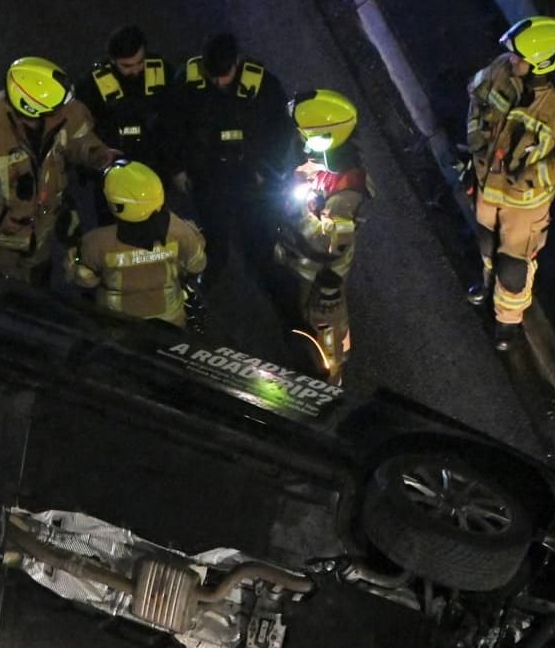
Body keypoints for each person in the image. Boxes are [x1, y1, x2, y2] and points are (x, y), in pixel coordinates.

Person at [463, 16, 555, 349]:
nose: (512, 60)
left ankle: (509, 322)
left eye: (520, 57)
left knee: (513, 266)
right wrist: (476, 138)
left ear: (541, 63)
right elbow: (476, 97)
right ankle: (486, 282)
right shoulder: (503, 69)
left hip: (525, 202)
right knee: (487, 243)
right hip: (488, 181)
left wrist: (529, 179)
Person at [0, 56, 118, 286]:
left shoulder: (65, 110)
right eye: (57, 108)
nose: (65, 110)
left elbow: (78, 137)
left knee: (37, 283)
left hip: (40, 233)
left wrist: (96, 154)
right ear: (31, 107)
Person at [174, 32, 295, 282]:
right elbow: (172, 127)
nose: (218, 83)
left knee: (261, 236)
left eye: (223, 76)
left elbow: (281, 130)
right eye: (212, 76)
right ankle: (202, 284)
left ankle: (269, 273)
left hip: (250, 173)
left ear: (237, 62)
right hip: (208, 174)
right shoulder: (187, 82)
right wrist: (177, 168)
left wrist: (268, 169)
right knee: (215, 241)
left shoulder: (264, 86)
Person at [273, 89, 371, 384]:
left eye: (307, 136)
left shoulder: (347, 190)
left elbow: (330, 244)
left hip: (321, 277)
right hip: (299, 263)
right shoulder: (327, 161)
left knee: (325, 328)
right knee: (304, 323)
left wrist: (297, 211)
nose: (302, 142)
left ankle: (331, 383)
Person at [67, 160, 207, 329]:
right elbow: (197, 265)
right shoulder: (180, 230)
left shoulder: (96, 242)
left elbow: (84, 280)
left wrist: (73, 259)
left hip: (117, 324)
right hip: (171, 324)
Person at [77, 24, 177, 179]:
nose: (136, 69)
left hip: (156, 164)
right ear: (113, 60)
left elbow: (178, 116)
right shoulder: (92, 84)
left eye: (140, 62)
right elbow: (80, 128)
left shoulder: (162, 71)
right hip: (114, 166)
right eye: (127, 66)